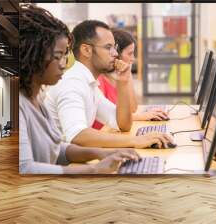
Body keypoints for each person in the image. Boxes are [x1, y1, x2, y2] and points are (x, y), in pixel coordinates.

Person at [19, 4, 139, 174]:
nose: (63, 64)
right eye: (58, 56)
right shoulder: (70, 83)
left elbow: (56, 149)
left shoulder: (36, 99)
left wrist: (102, 153)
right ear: (35, 57)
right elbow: (26, 168)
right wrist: (95, 168)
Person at [44, 20, 174, 149]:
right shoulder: (72, 83)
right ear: (86, 50)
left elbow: (123, 123)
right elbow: (77, 135)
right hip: (60, 166)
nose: (115, 54)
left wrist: (122, 82)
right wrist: (134, 140)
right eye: (108, 47)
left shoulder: (89, 84)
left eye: (115, 48)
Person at [92, 29, 169, 130]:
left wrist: (127, 78)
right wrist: (143, 116)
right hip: (104, 134)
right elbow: (110, 118)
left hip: (116, 131)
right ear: (116, 54)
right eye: (130, 54)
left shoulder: (122, 76)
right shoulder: (99, 80)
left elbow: (133, 109)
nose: (133, 58)